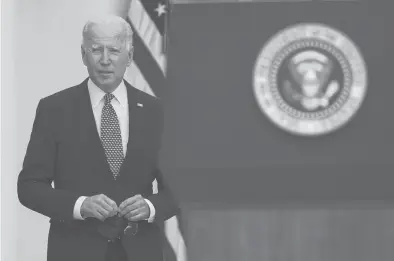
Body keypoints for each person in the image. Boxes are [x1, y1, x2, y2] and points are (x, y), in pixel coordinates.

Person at [17, 15, 178, 261]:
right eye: (96, 50)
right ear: (83, 55)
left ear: (130, 55)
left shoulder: (157, 112)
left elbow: (180, 189)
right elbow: (29, 187)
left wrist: (151, 207)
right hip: (74, 252)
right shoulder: (54, 109)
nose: (105, 60)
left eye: (114, 50)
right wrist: (80, 205)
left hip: (140, 252)